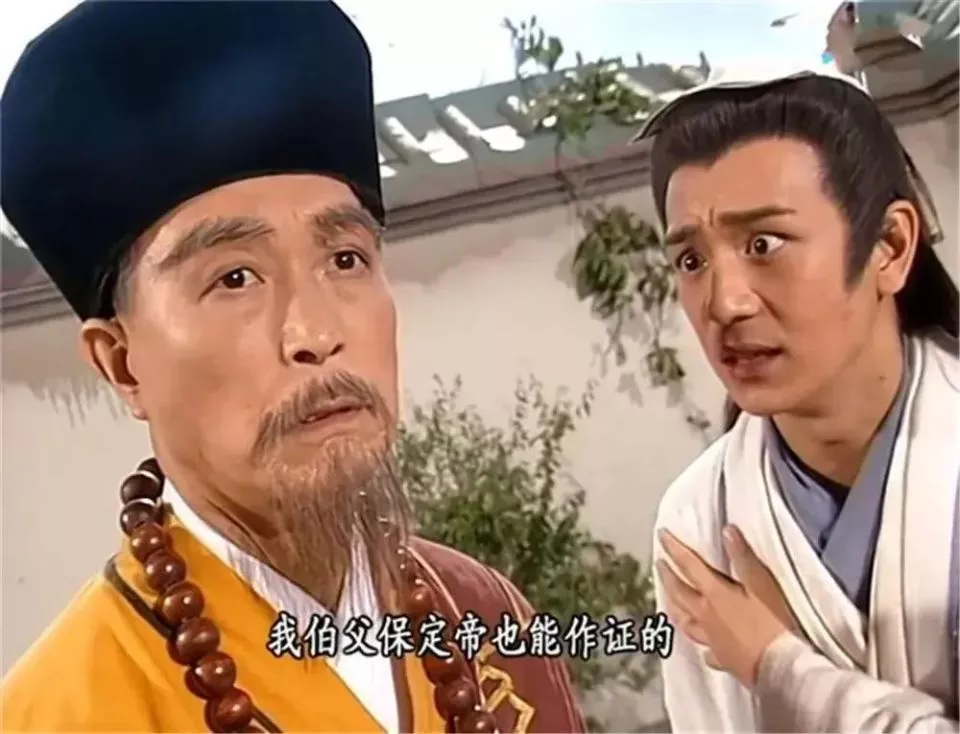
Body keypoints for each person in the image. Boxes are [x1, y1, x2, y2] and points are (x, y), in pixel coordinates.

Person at [0, 3, 586, 733]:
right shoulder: (60, 713)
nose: (315, 333)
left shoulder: (485, 620)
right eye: (235, 278)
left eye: (345, 259)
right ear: (122, 365)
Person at [634, 69, 959, 732]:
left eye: (764, 245)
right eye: (692, 260)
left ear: (890, 247)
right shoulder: (698, 518)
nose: (724, 303)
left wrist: (777, 667)